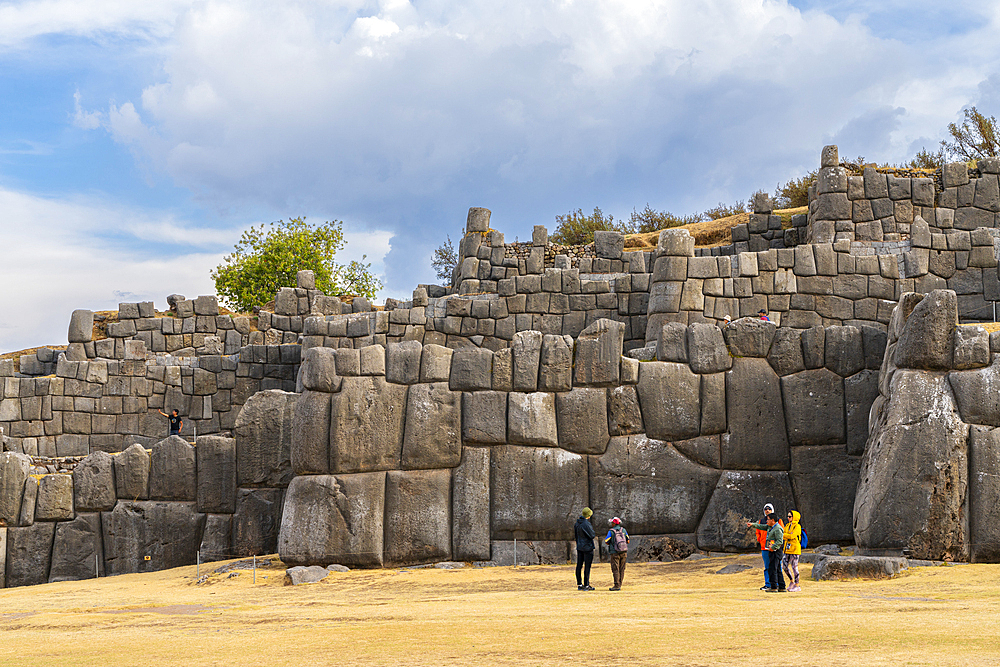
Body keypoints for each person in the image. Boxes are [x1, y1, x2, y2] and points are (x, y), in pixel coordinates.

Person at [747, 513, 786, 592]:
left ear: (772, 520)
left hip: (776, 551)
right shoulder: (770, 527)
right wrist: (753, 525)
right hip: (772, 550)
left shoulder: (777, 528)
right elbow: (761, 526)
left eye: (768, 519)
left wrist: (773, 547)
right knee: (777, 568)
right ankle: (782, 587)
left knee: (773, 569)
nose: (766, 521)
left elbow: (780, 541)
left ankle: (774, 587)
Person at [754, 503, 780, 590]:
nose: (767, 510)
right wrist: (760, 540)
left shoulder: (778, 520)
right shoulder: (761, 521)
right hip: (764, 547)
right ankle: (768, 583)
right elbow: (758, 531)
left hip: (775, 547)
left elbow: (781, 533)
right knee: (767, 566)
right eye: (766, 509)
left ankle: (777, 583)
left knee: (777, 566)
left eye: (769, 509)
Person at [604, 517, 629, 591]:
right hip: (624, 552)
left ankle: (616, 585)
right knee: (622, 568)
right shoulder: (623, 530)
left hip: (614, 552)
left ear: (614, 523)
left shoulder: (611, 531)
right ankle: (620, 584)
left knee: (615, 569)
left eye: (612, 522)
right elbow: (628, 540)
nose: (611, 524)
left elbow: (606, 540)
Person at [574, 507, 596, 591]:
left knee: (579, 565)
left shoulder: (577, 523)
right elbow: (592, 535)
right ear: (589, 515)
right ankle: (586, 584)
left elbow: (576, 535)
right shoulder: (586, 524)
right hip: (587, 547)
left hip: (580, 546)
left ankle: (579, 584)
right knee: (587, 566)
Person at [782, 510, 803, 592]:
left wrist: (785, 535)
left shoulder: (798, 526)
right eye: (788, 516)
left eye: (790, 516)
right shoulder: (787, 525)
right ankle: (791, 581)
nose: (788, 518)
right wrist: (786, 535)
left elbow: (793, 536)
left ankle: (797, 585)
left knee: (794, 567)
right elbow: (786, 535)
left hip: (795, 549)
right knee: (784, 566)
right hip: (787, 549)